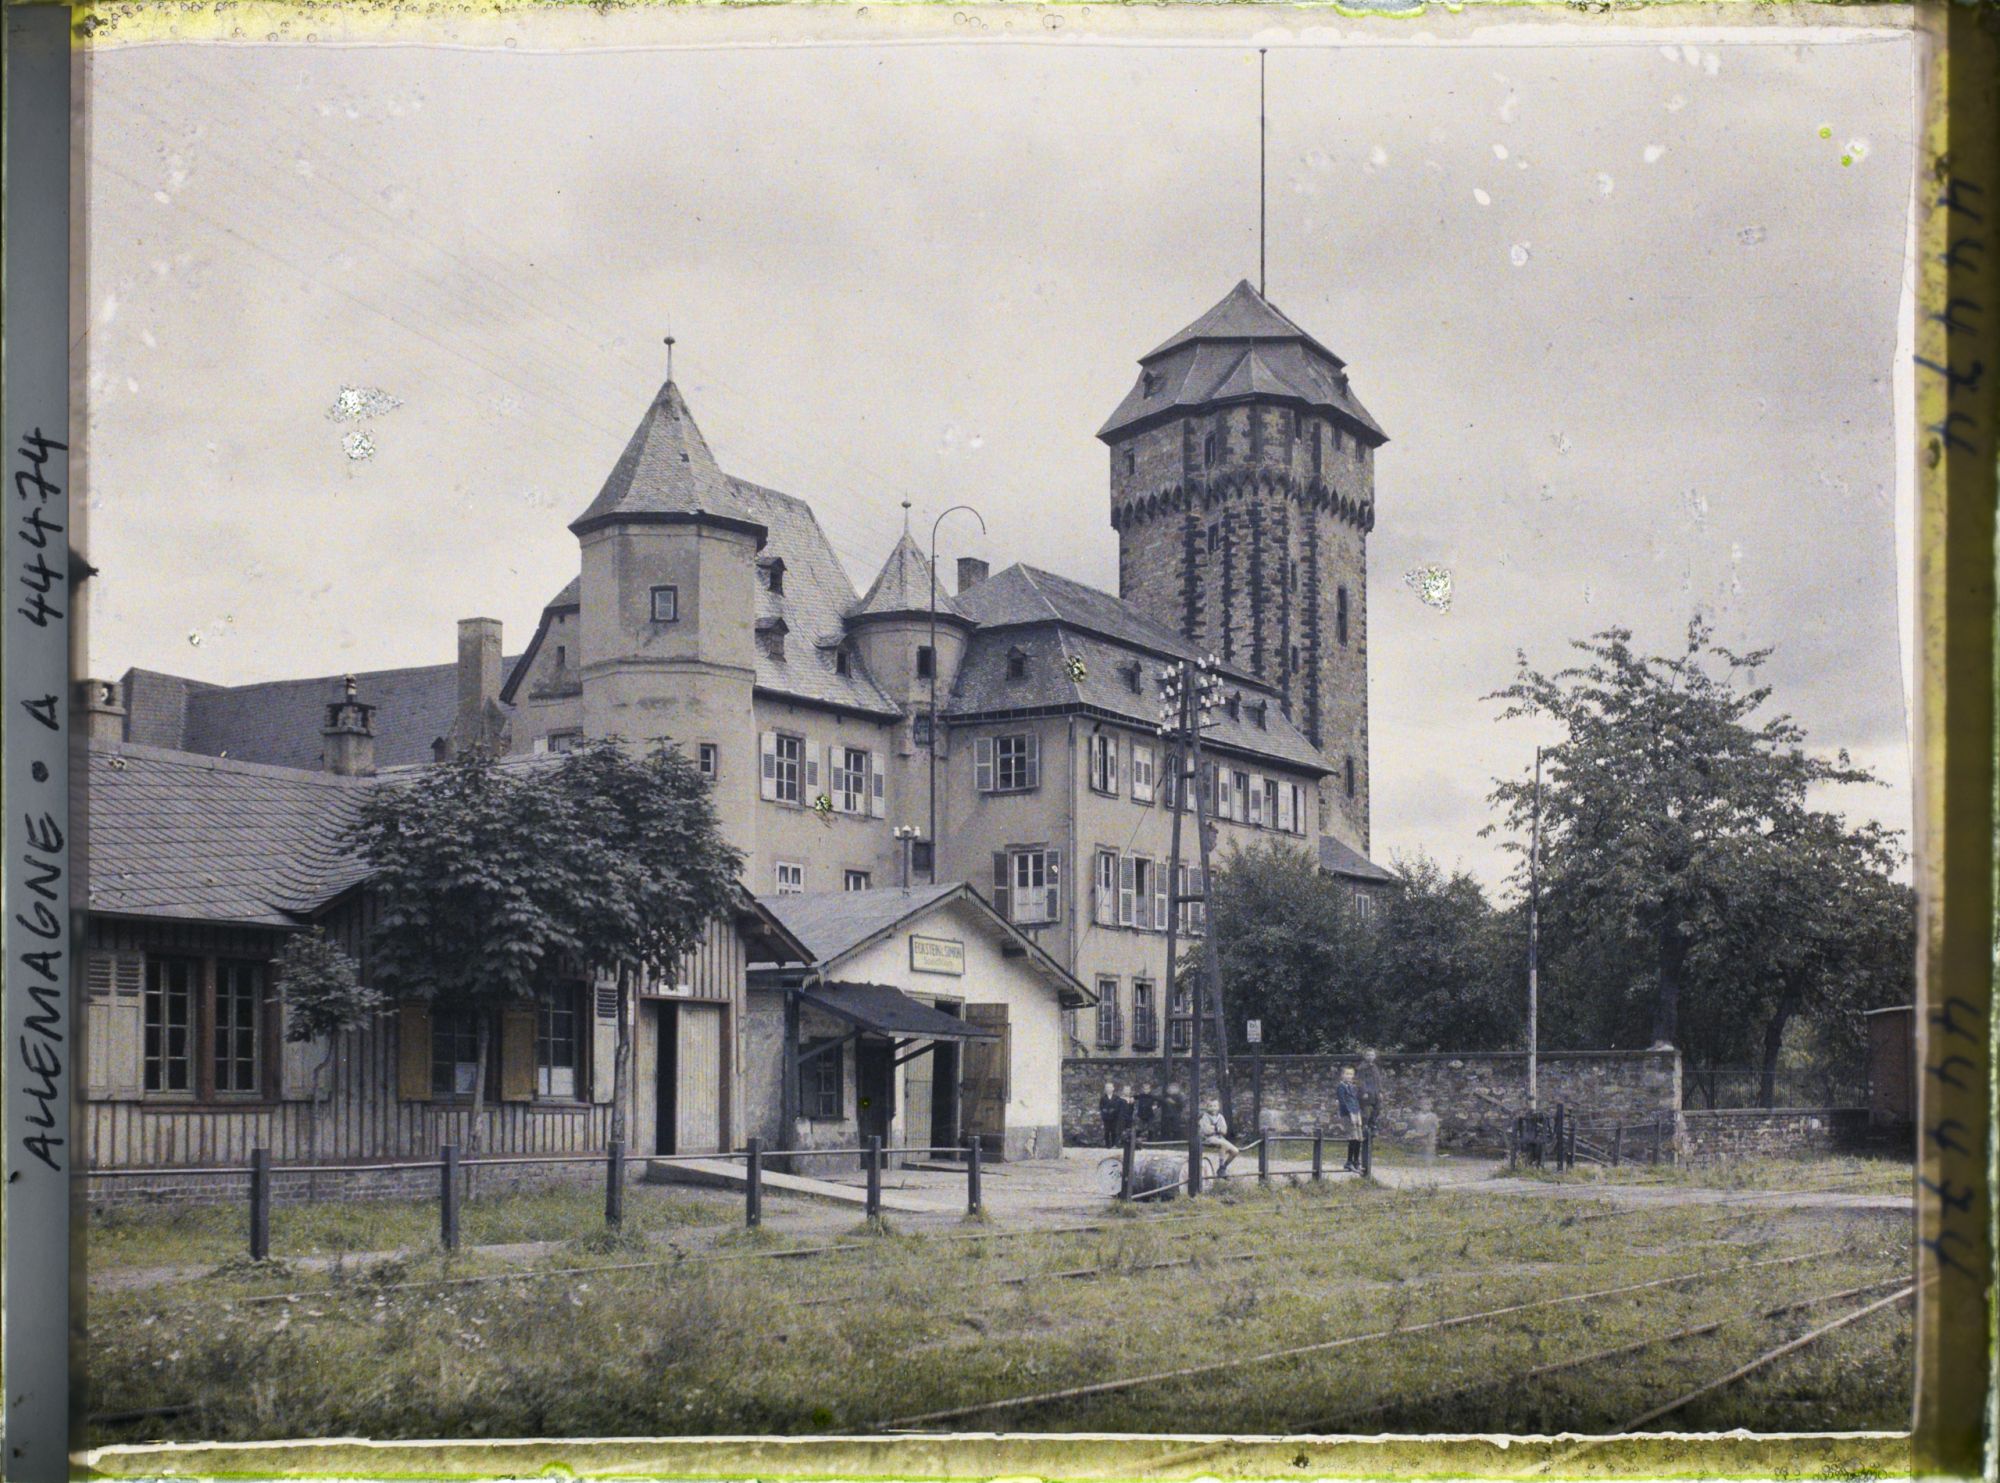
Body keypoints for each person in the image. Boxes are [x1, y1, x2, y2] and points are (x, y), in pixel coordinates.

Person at [1199, 1095, 1238, 1177]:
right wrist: (1218, 1129)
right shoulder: (1205, 1117)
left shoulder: (1220, 1117)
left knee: (1235, 1151)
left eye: (1215, 1106)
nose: (1213, 1108)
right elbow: (1206, 1131)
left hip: (1219, 1138)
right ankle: (1221, 1165)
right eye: (1210, 1106)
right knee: (1222, 1144)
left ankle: (1223, 1168)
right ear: (1206, 1107)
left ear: (1218, 1107)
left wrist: (1216, 1128)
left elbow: (1224, 1131)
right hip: (1208, 1138)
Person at [1336, 1066, 1364, 1171]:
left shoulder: (1352, 1086)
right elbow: (1343, 1102)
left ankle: (1356, 1161)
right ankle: (1349, 1162)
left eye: (1351, 1074)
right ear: (1342, 1075)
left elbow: (1355, 1100)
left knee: (1358, 1139)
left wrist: (1358, 1113)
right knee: (1352, 1138)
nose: (1349, 1076)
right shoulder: (1341, 1087)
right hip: (1348, 1114)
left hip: (1356, 1112)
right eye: (1347, 1074)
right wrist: (1349, 1113)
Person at [1357, 1048, 1384, 1138]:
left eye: (1372, 1055)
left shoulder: (1375, 1067)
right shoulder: (1362, 1067)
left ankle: (1372, 1125)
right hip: (1367, 1093)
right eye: (1368, 1055)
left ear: (1375, 1056)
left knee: (1378, 1108)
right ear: (1365, 1056)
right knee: (1366, 1111)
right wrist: (1364, 1092)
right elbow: (1361, 1080)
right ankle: (1364, 1126)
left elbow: (1378, 1080)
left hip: (1375, 1092)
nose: (1370, 1057)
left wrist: (1380, 1091)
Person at [1098, 1080, 1123, 1147]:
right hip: (1106, 1117)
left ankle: (1114, 1144)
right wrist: (1104, 1110)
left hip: (1114, 1117)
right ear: (1105, 1089)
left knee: (1114, 1130)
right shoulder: (1103, 1098)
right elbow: (1101, 1106)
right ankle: (1107, 1145)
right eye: (1107, 1087)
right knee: (1107, 1131)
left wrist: (1114, 1110)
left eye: (1110, 1087)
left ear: (1113, 1088)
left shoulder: (1116, 1098)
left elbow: (1118, 1106)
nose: (1109, 1089)